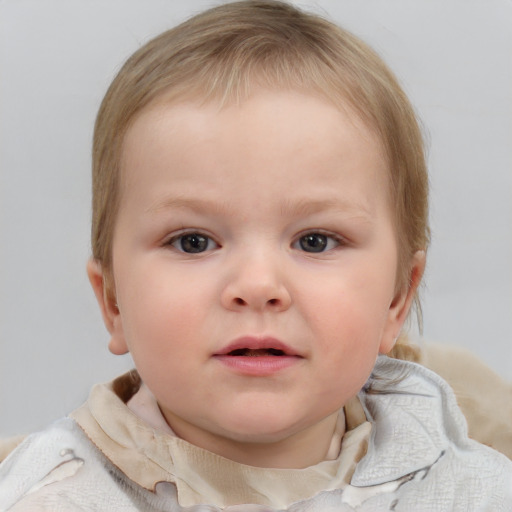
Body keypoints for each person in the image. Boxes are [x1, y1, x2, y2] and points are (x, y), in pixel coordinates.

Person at [0, 1, 510, 510]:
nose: (258, 284)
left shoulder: (468, 489)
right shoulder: (51, 496)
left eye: (315, 241)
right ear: (112, 301)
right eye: (192, 242)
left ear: (398, 298)